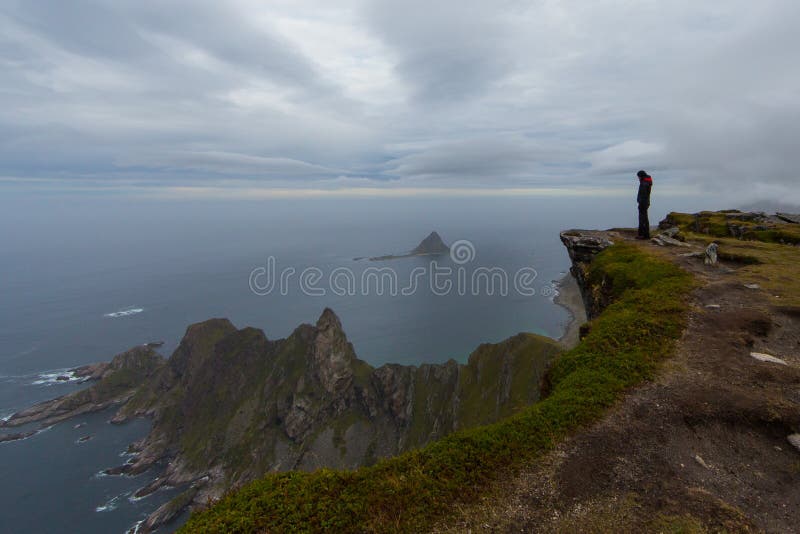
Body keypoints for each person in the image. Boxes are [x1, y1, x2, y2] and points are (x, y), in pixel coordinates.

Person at [636, 170, 653, 239]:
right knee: (644, 218)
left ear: (641, 176)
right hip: (645, 202)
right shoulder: (646, 182)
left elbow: (643, 194)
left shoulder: (644, 183)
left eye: (638, 176)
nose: (638, 178)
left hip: (643, 203)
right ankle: (643, 234)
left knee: (643, 219)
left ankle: (644, 235)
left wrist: (640, 202)